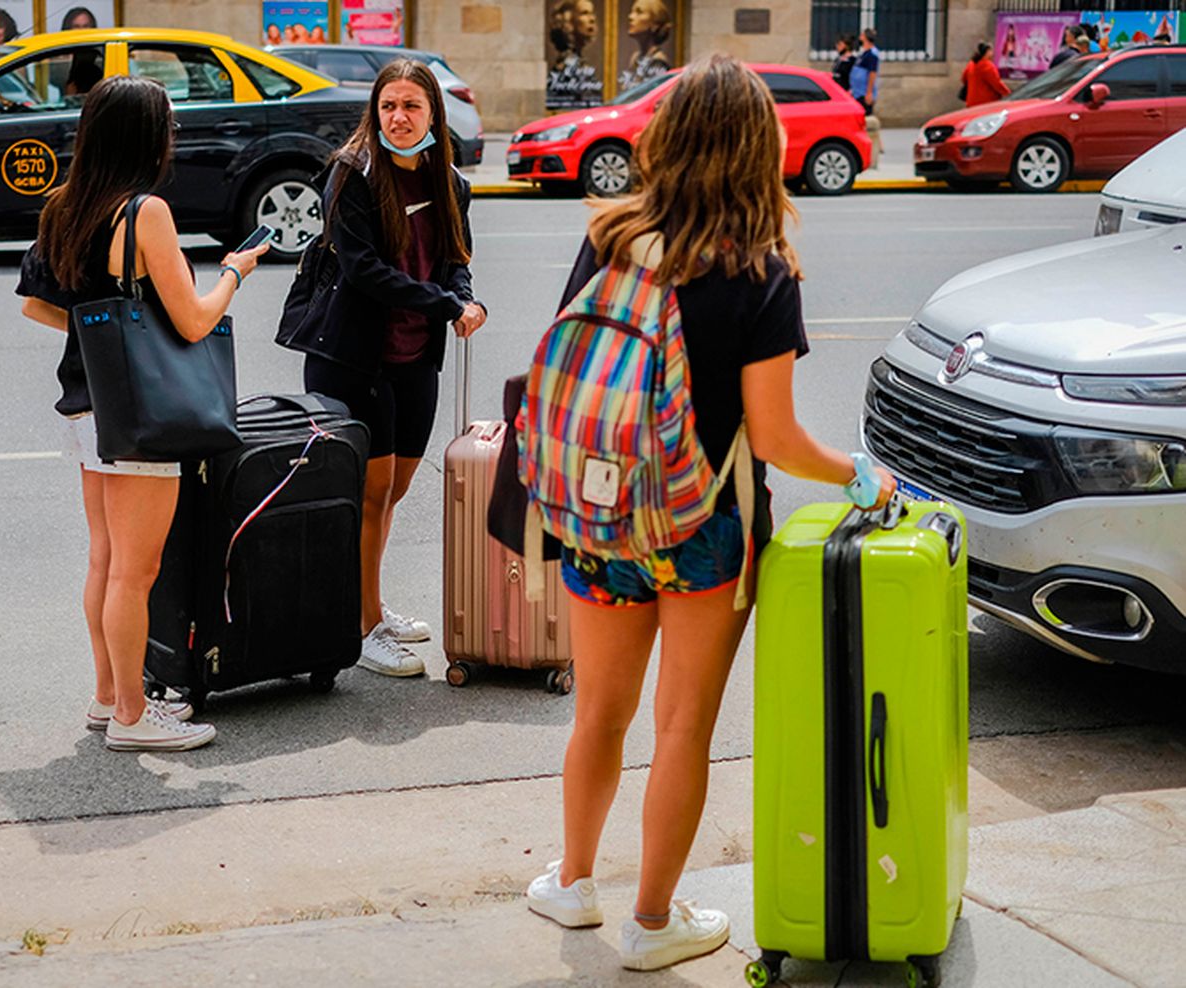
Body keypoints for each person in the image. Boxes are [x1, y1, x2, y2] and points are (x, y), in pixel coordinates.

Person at [523, 53, 894, 973]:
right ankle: (653, 924)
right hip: (703, 527)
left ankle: (573, 883)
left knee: (597, 716)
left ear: (668, 136)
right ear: (756, 147)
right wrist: (860, 477)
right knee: (681, 726)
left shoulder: (612, 237)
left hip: (602, 510)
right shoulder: (760, 268)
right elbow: (773, 439)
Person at [17, 76, 267, 751]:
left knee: (104, 560)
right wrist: (234, 273)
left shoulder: (66, 204)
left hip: (84, 402)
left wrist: (102, 322)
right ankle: (132, 715)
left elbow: (37, 305)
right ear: (149, 138)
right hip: (141, 413)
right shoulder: (145, 213)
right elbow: (192, 321)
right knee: (136, 569)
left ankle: (107, 697)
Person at [277, 59, 485, 678]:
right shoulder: (352, 175)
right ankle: (364, 624)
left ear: (432, 115)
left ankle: (369, 602)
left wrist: (465, 295)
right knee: (368, 497)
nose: (399, 118)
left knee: (391, 493)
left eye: (411, 107)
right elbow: (365, 272)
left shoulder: (447, 180)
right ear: (375, 112)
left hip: (415, 356)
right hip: (351, 357)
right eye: (388, 106)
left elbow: (455, 260)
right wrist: (450, 303)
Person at [618, 0, 671, 91]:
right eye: (632, 12)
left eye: (639, 12)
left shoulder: (658, 62)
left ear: (655, 25)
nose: (630, 17)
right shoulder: (636, 58)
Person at [963, 42, 1009, 107]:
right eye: (991, 51)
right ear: (987, 52)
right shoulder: (988, 66)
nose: (993, 53)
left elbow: (964, 79)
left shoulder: (971, 64)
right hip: (986, 103)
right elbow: (997, 83)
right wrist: (1008, 93)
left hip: (971, 102)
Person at [850, 27, 880, 113]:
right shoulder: (864, 53)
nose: (860, 37)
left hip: (863, 93)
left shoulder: (872, 54)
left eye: (862, 35)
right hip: (857, 92)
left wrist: (869, 93)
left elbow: (872, 73)